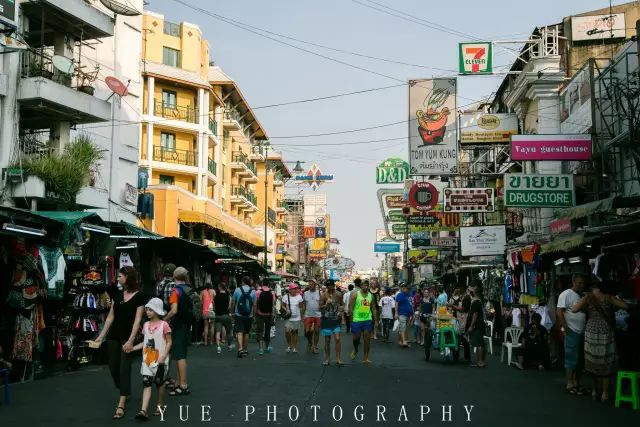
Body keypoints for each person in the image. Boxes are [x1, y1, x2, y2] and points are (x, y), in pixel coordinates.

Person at [94, 266, 147, 419]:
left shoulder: (140, 296)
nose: (117, 279)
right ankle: (124, 388)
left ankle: (121, 402)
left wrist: (131, 340)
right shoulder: (117, 295)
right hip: (113, 336)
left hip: (127, 337)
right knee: (113, 368)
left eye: (120, 276)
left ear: (128, 277)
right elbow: (110, 317)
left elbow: (137, 320)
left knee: (124, 369)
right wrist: (101, 335)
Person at [571, 280, 630, 402]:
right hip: (605, 330)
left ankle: (594, 390)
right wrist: (617, 298)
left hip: (591, 329)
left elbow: (574, 309)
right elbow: (625, 306)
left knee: (592, 361)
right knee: (605, 361)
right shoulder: (608, 297)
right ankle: (605, 393)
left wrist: (585, 306)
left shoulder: (588, 297)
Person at [131, 298, 172, 421]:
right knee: (147, 383)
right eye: (147, 309)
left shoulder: (164, 325)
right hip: (147, 359)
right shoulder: (145, 325)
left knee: (159, 383)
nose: (147, 312)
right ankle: (143, 410)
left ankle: (160, 404)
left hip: (160, 360)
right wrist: (132, 348)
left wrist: (164, 356)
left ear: (157, 310)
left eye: (150, 310)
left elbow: (169, 341)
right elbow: (145, 342)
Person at [557, 273, 587, 395]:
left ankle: (576, 382)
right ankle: (569, 382)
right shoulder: (566, 294)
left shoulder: (583, 296)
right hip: (572, 330)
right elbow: (559, 311)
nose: (581, 285)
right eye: (579, 283)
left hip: (581, 331)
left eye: (582, 283)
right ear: (573, 282)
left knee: (579, 359)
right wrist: (565, 327)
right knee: (571, 358)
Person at [164, 267, 192, 396]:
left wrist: (165, 320)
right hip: (187, 325)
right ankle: (177, 383)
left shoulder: (175, 291)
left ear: (174, 276)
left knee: (179, 356)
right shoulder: (189, 289)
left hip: (178, 325)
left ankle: (183, 385)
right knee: (180, 354)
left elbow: (174, 310)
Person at [349, 279, 375, 363]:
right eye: (364, 285)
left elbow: (374, 309)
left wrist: (376, 320)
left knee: (367, 339)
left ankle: (366, 358)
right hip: (356, 320)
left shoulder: (371, 296)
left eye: (367, 285)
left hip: (367, 319)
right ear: (361, 286)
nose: (366, 286)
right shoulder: (355, 295)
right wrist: (351, 321)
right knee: (356, 338)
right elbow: (350, 308)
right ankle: (356, 349)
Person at [230, 276, 256, 359]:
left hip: (239, 314)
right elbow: (255, 305)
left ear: (243, 281)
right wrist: (254, 315)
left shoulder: (237, 290)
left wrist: (232, 313)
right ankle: (245, 349)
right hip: (249, 315)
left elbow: (233, 303)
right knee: (247, 332)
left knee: (239, 332)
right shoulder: (253, 291)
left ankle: (240, 348)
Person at [319, 280, 344, 365]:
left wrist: (341, 311)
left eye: (332, 285)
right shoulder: (323, 295)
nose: (330, 287)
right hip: (326, 320)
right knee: (327, 340)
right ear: (327, 286)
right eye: (328, 285)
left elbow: (341, 304)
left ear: (334, 285)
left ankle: (338, 359)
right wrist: (326, 304)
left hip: (336, 320)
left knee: (337, 339)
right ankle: (327, 359)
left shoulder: (339, 294)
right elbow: (320, 308)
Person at [465, 286, 486, 368]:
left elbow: (475, 315)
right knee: (478, 343)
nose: (470, 289)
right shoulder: (475, 300)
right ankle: (480, 361)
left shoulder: (476, 301)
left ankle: (480, 362)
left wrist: (471, 326)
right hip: (477, 325)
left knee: (479, 343)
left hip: (477, 325)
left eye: (472, 288)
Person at [255, 281, 276, 355]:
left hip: (260, 314)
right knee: (267, 331)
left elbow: (255, 303)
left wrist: (255, 312)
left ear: (262, 284)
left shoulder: (258, 292)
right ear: (269, 284)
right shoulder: (272, 292)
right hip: (269, 314)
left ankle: (260, 349)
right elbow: (273, 304)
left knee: (260, 331)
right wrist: (273, 313)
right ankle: (267, 347)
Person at [282, 283, 304, 353]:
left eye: (296, 288)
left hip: (297, 317)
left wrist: (302, 317)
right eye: (294, 289)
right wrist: (286, 310)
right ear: (290, 290)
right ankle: (289, 345)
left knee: (295, 332)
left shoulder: (299, 297)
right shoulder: (285, 296)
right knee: (287, 331)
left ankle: (294, 347)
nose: (295, 290)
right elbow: (282, 305)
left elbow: (301, 307)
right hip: (288, 317)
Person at [213, 284, 233, 354]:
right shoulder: (228, 297)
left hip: (218, 316)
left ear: (219, 288)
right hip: (226, 315)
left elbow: (214, 307)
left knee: (218, 332)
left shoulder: (215, 297)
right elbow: (229, 307)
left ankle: (218, 347)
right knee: (228, 331)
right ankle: (229, 346)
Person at [303, 280, 322, 354]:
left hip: (317, 315)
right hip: (308, 315)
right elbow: (304, 304)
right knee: (307, 332)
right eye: (309, 284)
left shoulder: (319, 293)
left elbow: (321, 302)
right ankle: (310, 342)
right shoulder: (305, 293)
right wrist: (302, 315)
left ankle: (315, 346)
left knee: (316, 331)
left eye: (312, 284)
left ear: (315, 285)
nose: (310, 286)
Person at [395, 283, 413, 348]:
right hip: (402, 313)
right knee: (403, 327)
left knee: (407, 328)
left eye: (406, 287)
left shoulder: (408, 295)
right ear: (401, 288)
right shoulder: (399, 295)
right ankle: (404, 341)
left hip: (408, 314)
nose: (405, 288)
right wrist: (396, 313)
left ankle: (403, 340)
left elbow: (411, 304)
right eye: (404, 287)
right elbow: (396, 304)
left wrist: (412, 314)